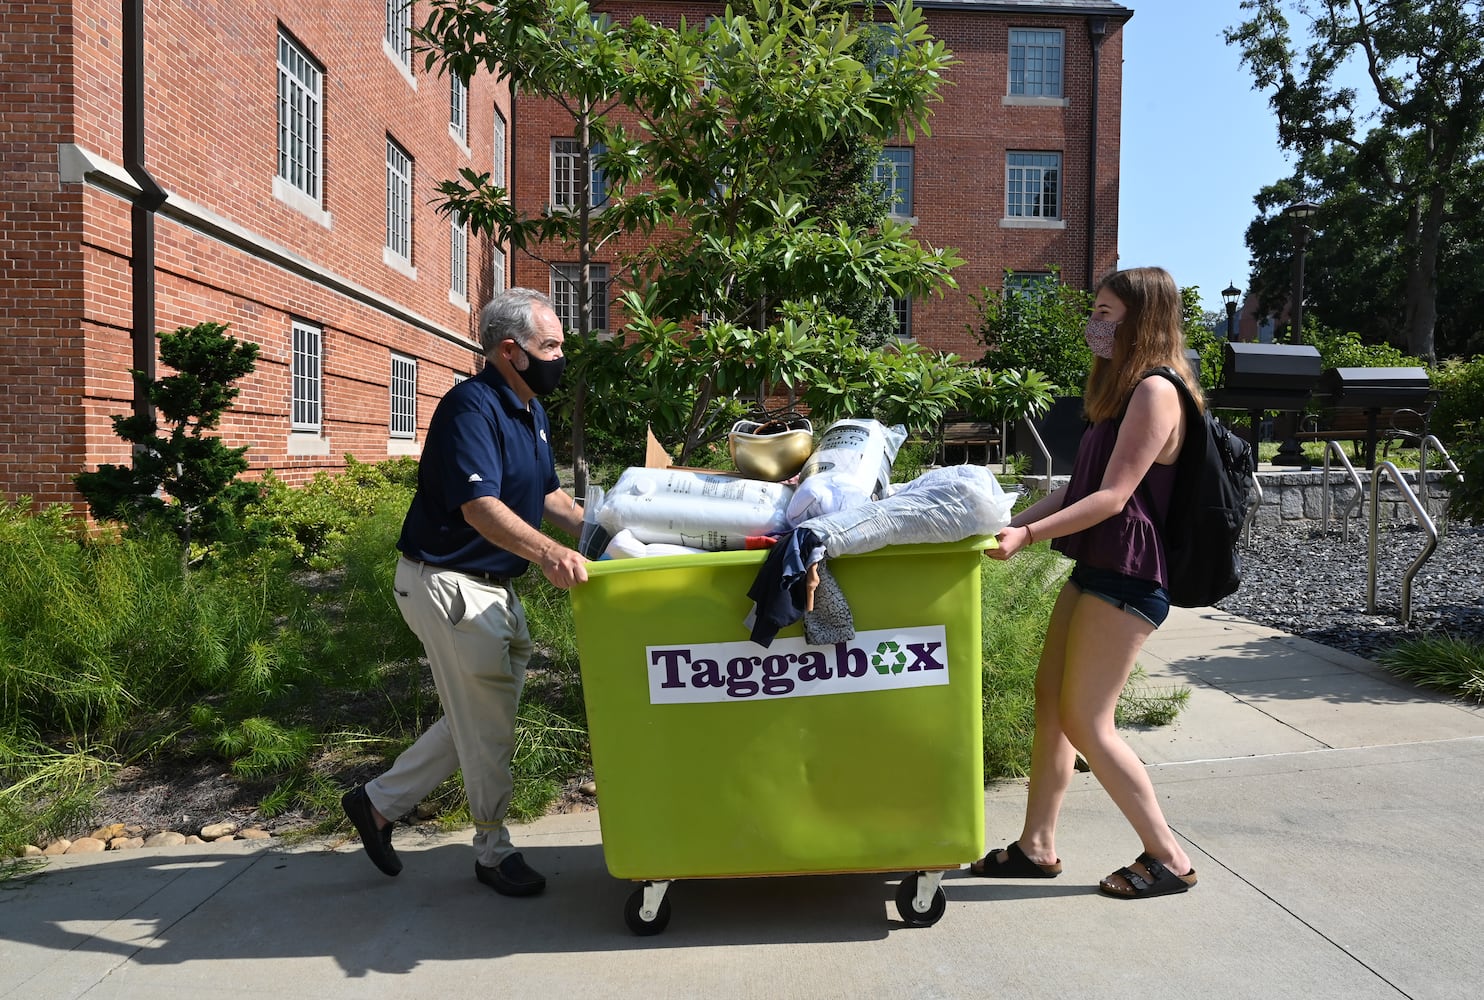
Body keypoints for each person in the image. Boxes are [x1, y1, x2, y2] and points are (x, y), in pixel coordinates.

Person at [341, 287, 588, 897]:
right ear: (511, 350)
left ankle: (374, 805)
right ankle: (491, 850)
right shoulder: (469, 408)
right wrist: (551, 553)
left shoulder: (529, 408)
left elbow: (547, 494)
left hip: (493, 587)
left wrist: (607, 528)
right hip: (449, 584)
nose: (561, 356)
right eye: (550, 345)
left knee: (477, 716)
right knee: (488, 726)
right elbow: (480, 507)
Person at [975, 266, 1199, 899]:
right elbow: (1076, 490)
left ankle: (1169, 858)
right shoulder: (1123, 393)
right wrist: (1007, 524)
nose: (1094, 324)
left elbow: (1112, 497)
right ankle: (1035, 846)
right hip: (1098, 568)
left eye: (1105, 314)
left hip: (1129, 573)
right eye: (1096, 312)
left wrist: (1028, 539)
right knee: (1052, 705)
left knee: (1086, 720)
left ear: (1139, 320)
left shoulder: (1158, 390)